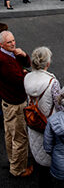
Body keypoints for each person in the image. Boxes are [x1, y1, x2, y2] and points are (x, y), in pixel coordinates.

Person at [24, 47, 62, 187]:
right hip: (48, 123)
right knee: (49, 153)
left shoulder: (27, 77)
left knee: (37, 150)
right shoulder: (52, 82)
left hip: (34, 120)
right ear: (47, 64)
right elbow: (59, 106)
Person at [0, 30, 33, 177]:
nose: (13, 44)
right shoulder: (4, 61)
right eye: (9, 42)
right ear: (1, 44)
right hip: (15, 103)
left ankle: (13, 160)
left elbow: (27, 64)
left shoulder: (9, 54)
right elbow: (20, 80)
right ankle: (18, 169)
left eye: (13, 40)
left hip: (8, 102)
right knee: (20, 137)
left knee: (10, 134)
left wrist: (23, 54)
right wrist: (25, 74)